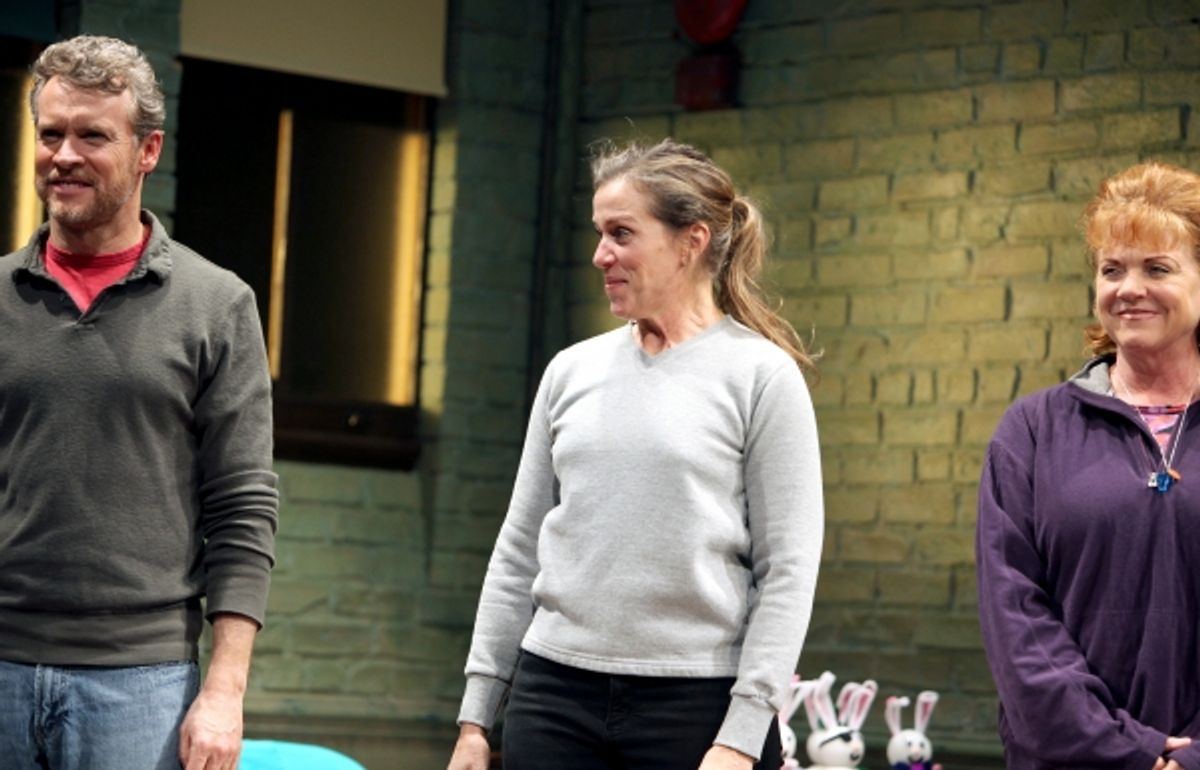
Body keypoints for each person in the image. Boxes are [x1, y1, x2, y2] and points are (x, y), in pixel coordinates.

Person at [447, 138, 824, 770]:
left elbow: (787, 569)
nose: (601, 254)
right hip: (553, 697)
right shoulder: (570, 371)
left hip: (696, 705)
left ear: (690, 241)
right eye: (599, 233)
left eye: (621, 233)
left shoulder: (761, 376)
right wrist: (475, 720)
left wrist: (741, 733)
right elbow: (518, 549)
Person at [0, 35, 278, 770]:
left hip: (141, 684)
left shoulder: (217, 305)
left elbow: (242, 506)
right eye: (51, 134)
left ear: (148, 150)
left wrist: (225, 690)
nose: (64, 155)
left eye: (92, 136)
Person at [977, 161, 1200, 770]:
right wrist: (1128, 752)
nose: (1129, 288)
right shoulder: (1030, 432)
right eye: (1112, 269)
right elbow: (1016, 619)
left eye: (1158, 268)